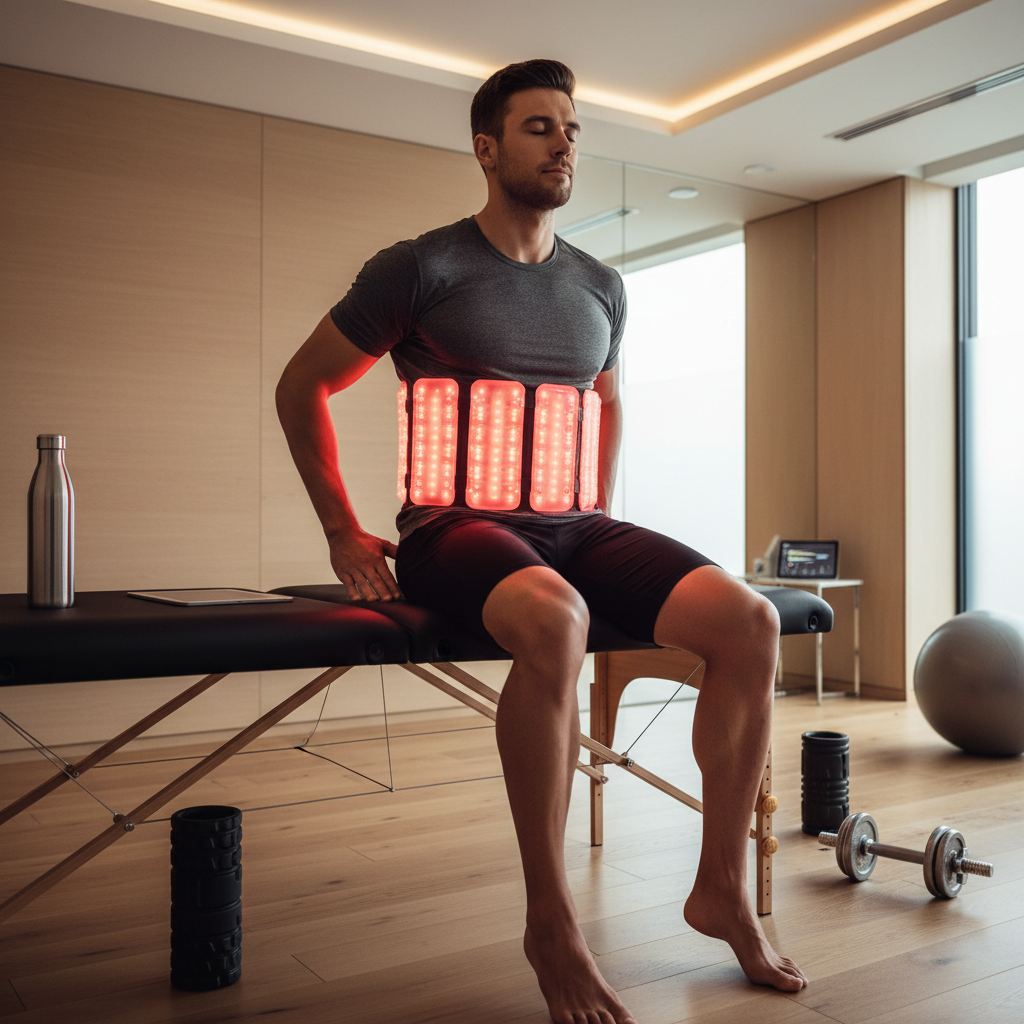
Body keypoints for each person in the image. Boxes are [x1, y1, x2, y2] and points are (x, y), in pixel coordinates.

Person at [276, 58, 807, 1024]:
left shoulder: (602, 284)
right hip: (453, 528)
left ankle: (720, 887)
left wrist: (595, 510)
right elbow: (301, 383)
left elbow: (603, 401)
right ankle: (551, 921)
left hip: (573, 526)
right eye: (538, 127)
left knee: (749, 620)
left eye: (570, 127)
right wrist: (340, 529)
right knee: (558, 621)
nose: (563, 141)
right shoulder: (420, 267)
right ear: (486, 148)